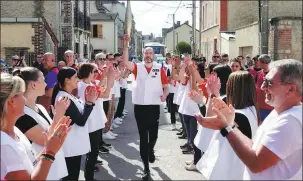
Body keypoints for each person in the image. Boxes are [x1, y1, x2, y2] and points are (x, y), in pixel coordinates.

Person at [196, 59, 302, 180]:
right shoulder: (279, 112)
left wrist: (226, 129)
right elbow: (254, 146)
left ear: (290, 89)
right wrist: (230, 125)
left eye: (269, 82)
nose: (262, 87)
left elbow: (256, 163)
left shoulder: (290, 121)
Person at [0, 73, 71, 180]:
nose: (24, 99)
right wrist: (50, 152)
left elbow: (31, 161)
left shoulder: (15, 130)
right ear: (11, 102)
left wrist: (49, 148)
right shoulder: (4, 145)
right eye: (21, 95)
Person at [197, 71, 260, 179]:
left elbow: (206, 139)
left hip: (230, 170)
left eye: (228, 84)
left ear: (233, 88)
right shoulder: (252, 109)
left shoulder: (237, 116)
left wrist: (212, 95)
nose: (225, 86)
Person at [123, 34, 169, 180]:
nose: (148, 55)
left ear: (153, 55)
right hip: (140, 107)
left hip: (154, 107)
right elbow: (125, 62)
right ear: (143, 54)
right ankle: (146, 170)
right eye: (146, 53)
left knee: (153, 136)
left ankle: (151, 150)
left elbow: (166, 87)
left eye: (150, 53)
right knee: (143, 137)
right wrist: (125, 45)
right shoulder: (137, 67)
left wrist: (165, 95)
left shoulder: (159, 68)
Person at [51, 67, 98, 181]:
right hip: (70, 146)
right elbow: (80, 120)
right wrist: (90, 103)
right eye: (75, 77)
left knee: (73, 175)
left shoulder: (68, 95)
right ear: (67, 80)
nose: (77, 80)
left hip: (74, 145)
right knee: (71, 176)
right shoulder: (64, 98)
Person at [77, 63, 115, 180]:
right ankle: (89, 177)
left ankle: (89, 175)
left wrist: (107, 77)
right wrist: (110, 78)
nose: (96, 74)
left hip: (94, 122)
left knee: (93, 151)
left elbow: (101, 87)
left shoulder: (86, 84)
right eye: (94, 72)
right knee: (93, 152)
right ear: (89, 73)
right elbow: (106, 93)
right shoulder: (89, 88)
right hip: (92, 123)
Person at [256, 54, 273, 121]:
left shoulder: (274, 73)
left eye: (259, 61)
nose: (257, 63)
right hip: (261, 105)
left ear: (264, 62)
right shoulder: (258, 73)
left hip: (272, 105)